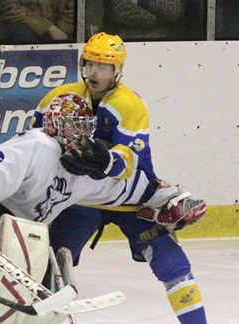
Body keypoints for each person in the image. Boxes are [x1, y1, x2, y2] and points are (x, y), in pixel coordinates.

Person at [0, 93, 206, 323]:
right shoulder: (37, 145)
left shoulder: (83, 167)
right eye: (70, 126)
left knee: (44, 281)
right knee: (21, 273)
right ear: (54, 125)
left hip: (29, 232)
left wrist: (166, 198)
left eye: (83, 127)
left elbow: (128, 189)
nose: (78, 134)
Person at [30, 32, 208, 323]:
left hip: (131, 199)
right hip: (82, 199)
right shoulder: (59, 98)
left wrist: (105, 159)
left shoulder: (129, 104)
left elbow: (130, 161)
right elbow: (32, 142)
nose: (94, 73)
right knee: (49, 266)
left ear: (118, 71)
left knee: (172, 265)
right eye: (89, 64)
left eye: (104, 67)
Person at [0, 0, 75, 43]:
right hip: (27, 30)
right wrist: (48, 27)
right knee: (20, 31)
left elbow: (72, 12)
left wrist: (61, 31)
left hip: (61, 31)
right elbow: (10, 9)